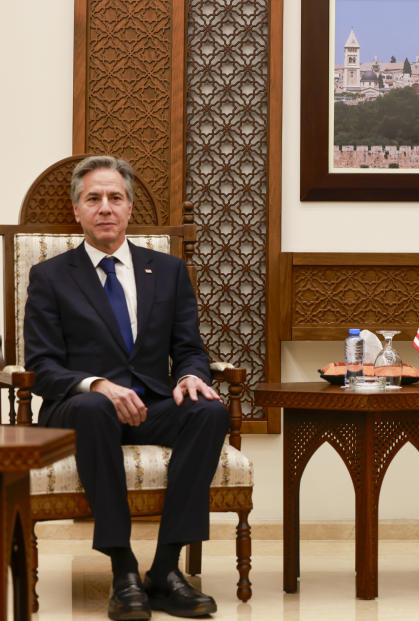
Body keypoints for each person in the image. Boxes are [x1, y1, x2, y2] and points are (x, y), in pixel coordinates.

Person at [24, 155, 229, 620]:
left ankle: (165, 569)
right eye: (93, 198)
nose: (105, 208)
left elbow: (190, 348)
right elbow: (42, 366)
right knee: (97, 407)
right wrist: (98, 385)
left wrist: (191, 375)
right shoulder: (51, 276)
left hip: (150, 404)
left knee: (209, 411)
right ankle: (123, 569)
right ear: (77, 210)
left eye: (115, 197)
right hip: (78, 410)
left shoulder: (169, 270)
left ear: (129, 207)